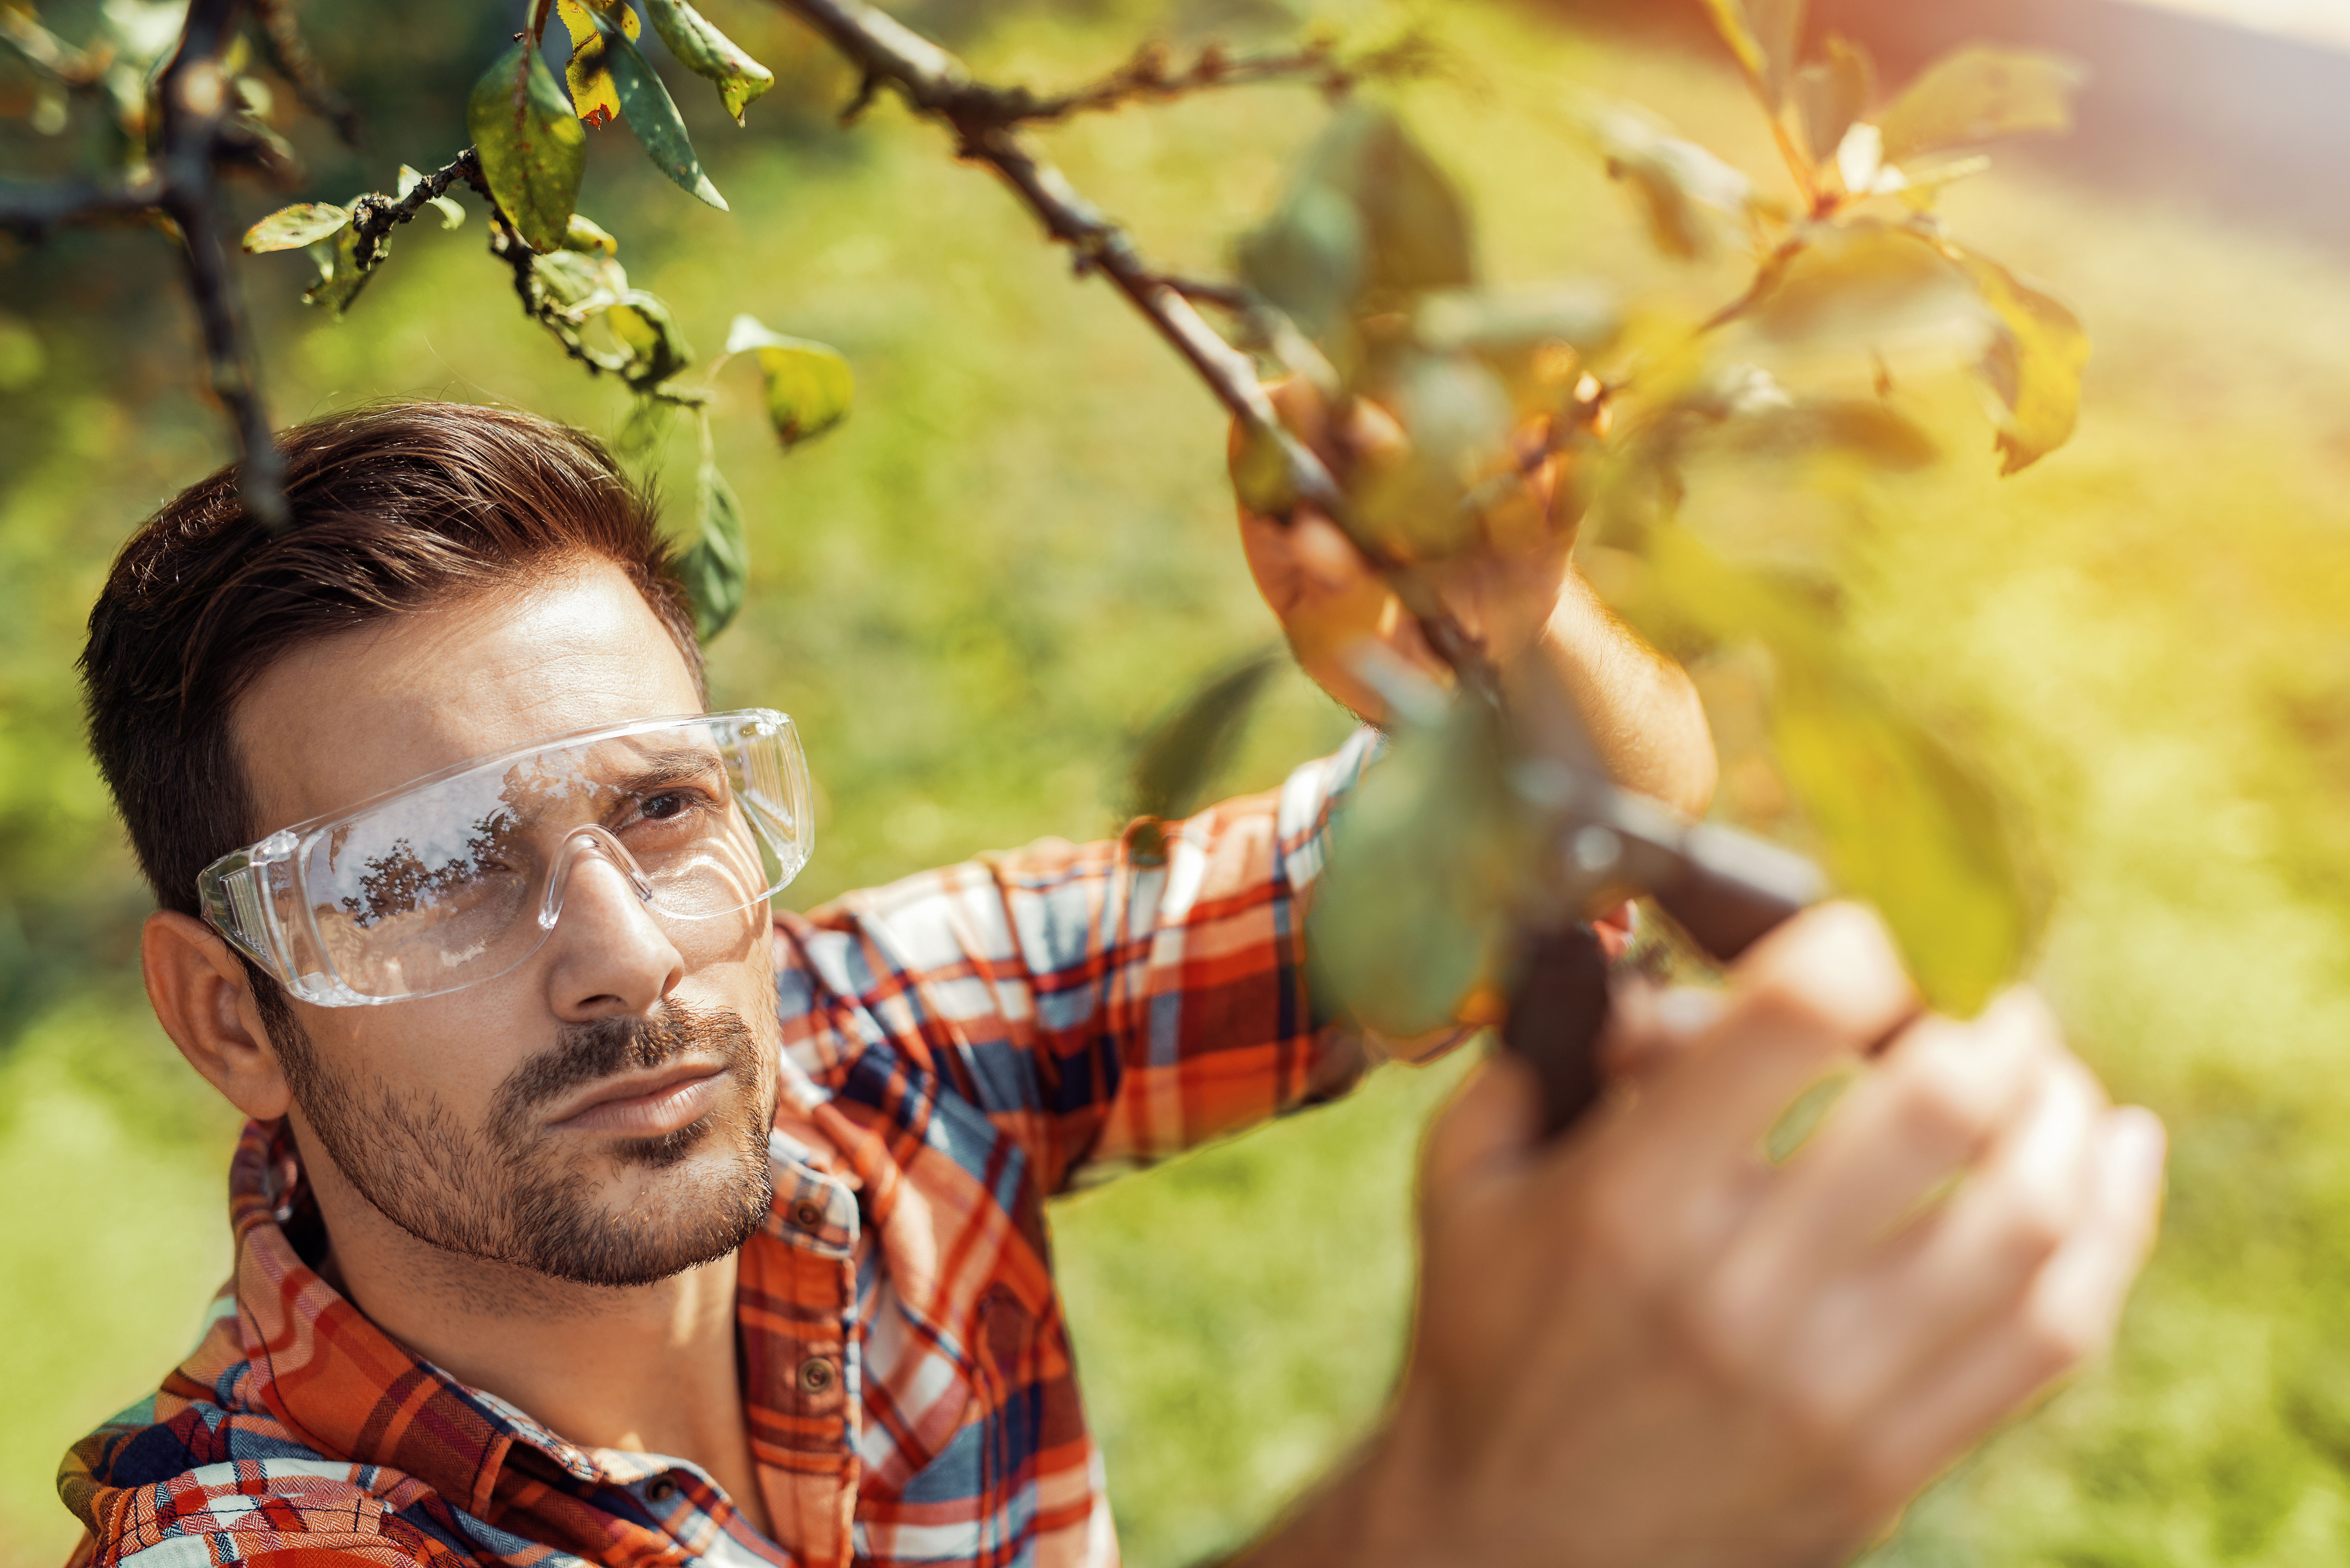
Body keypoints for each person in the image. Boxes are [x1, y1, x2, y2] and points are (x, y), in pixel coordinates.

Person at [55, 398, 2163, 1568]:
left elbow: (1566, 801)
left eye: (669, 811)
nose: (621, 958)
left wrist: (1503, 630)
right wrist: (1469, 1520)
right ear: (232, 1011)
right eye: (424, 875)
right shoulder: (251, 1554)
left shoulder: (878, 1052)